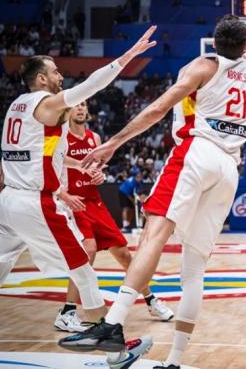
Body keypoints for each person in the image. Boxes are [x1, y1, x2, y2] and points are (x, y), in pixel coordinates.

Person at [57, 0, 246, 368]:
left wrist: (113, 143)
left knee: (154, 234)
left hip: (197, 153)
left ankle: (113, 323)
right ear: (244, 46)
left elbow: (157, 109)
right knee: (194, 267)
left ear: (215, 43)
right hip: (229, 168)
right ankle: (175, 361)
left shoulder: (202, 66)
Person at [0, 26, 157, 369]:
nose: (61, 76)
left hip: (7, 203)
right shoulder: (46, 104)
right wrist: (127, 57)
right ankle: (116, 353)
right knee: (84, 272)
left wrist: (82, 162)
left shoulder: (16, 105)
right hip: (35, 204)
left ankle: (110, 345)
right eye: (55, 71)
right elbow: (91, 86)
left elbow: (44, 154)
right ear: (41, 79)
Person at [54, 101, 174, 333]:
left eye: (84, 105)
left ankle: (151, 300)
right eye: (76, 105)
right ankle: (67, 311)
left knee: (125, 255)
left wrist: (99, 175)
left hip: (95, 201)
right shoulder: (60, 138)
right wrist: (64, 195)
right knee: (87, 250)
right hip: (73, 202)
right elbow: (49, 168)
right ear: (67, 111)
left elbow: (97, 168)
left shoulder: (95, 138)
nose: (80, 108)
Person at [118, 167, 143, 232]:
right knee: (126, 208)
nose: (140, 177)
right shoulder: (131, 182)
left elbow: (138, 192)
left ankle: (128, 225)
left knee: (131, 210)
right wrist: (133, 201)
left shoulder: (139, 181)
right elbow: (128, 195)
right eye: (138, 176)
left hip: (131, 193)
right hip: (123, 192)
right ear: (135, 176)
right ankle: (125, 226)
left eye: (140, 175)